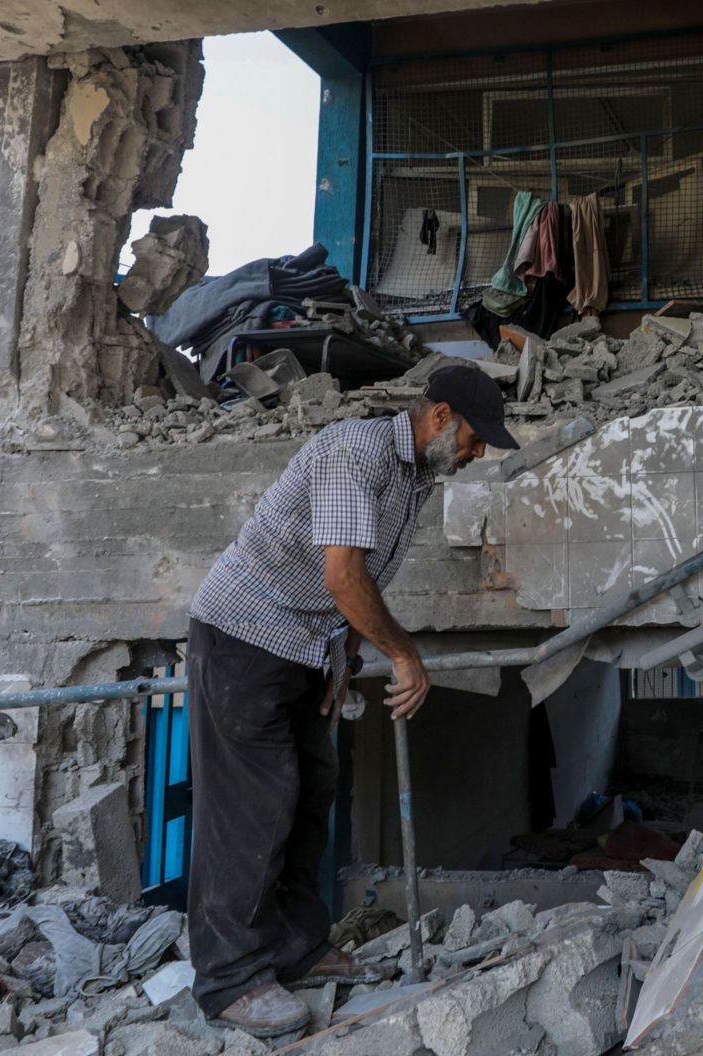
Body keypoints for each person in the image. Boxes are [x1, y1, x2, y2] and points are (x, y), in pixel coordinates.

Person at [183, 364, 519, 1037]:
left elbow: (347, 585)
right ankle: (228, 980)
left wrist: (349, 652)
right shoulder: (354, 452)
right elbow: (343, 575)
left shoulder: (415, 476)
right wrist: (403, 653)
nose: (477, 452)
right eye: (476, 438)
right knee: (252, 808)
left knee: (310, 792)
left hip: (307, 646)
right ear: (441, 415)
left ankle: (299, 949)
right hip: (243, 639)